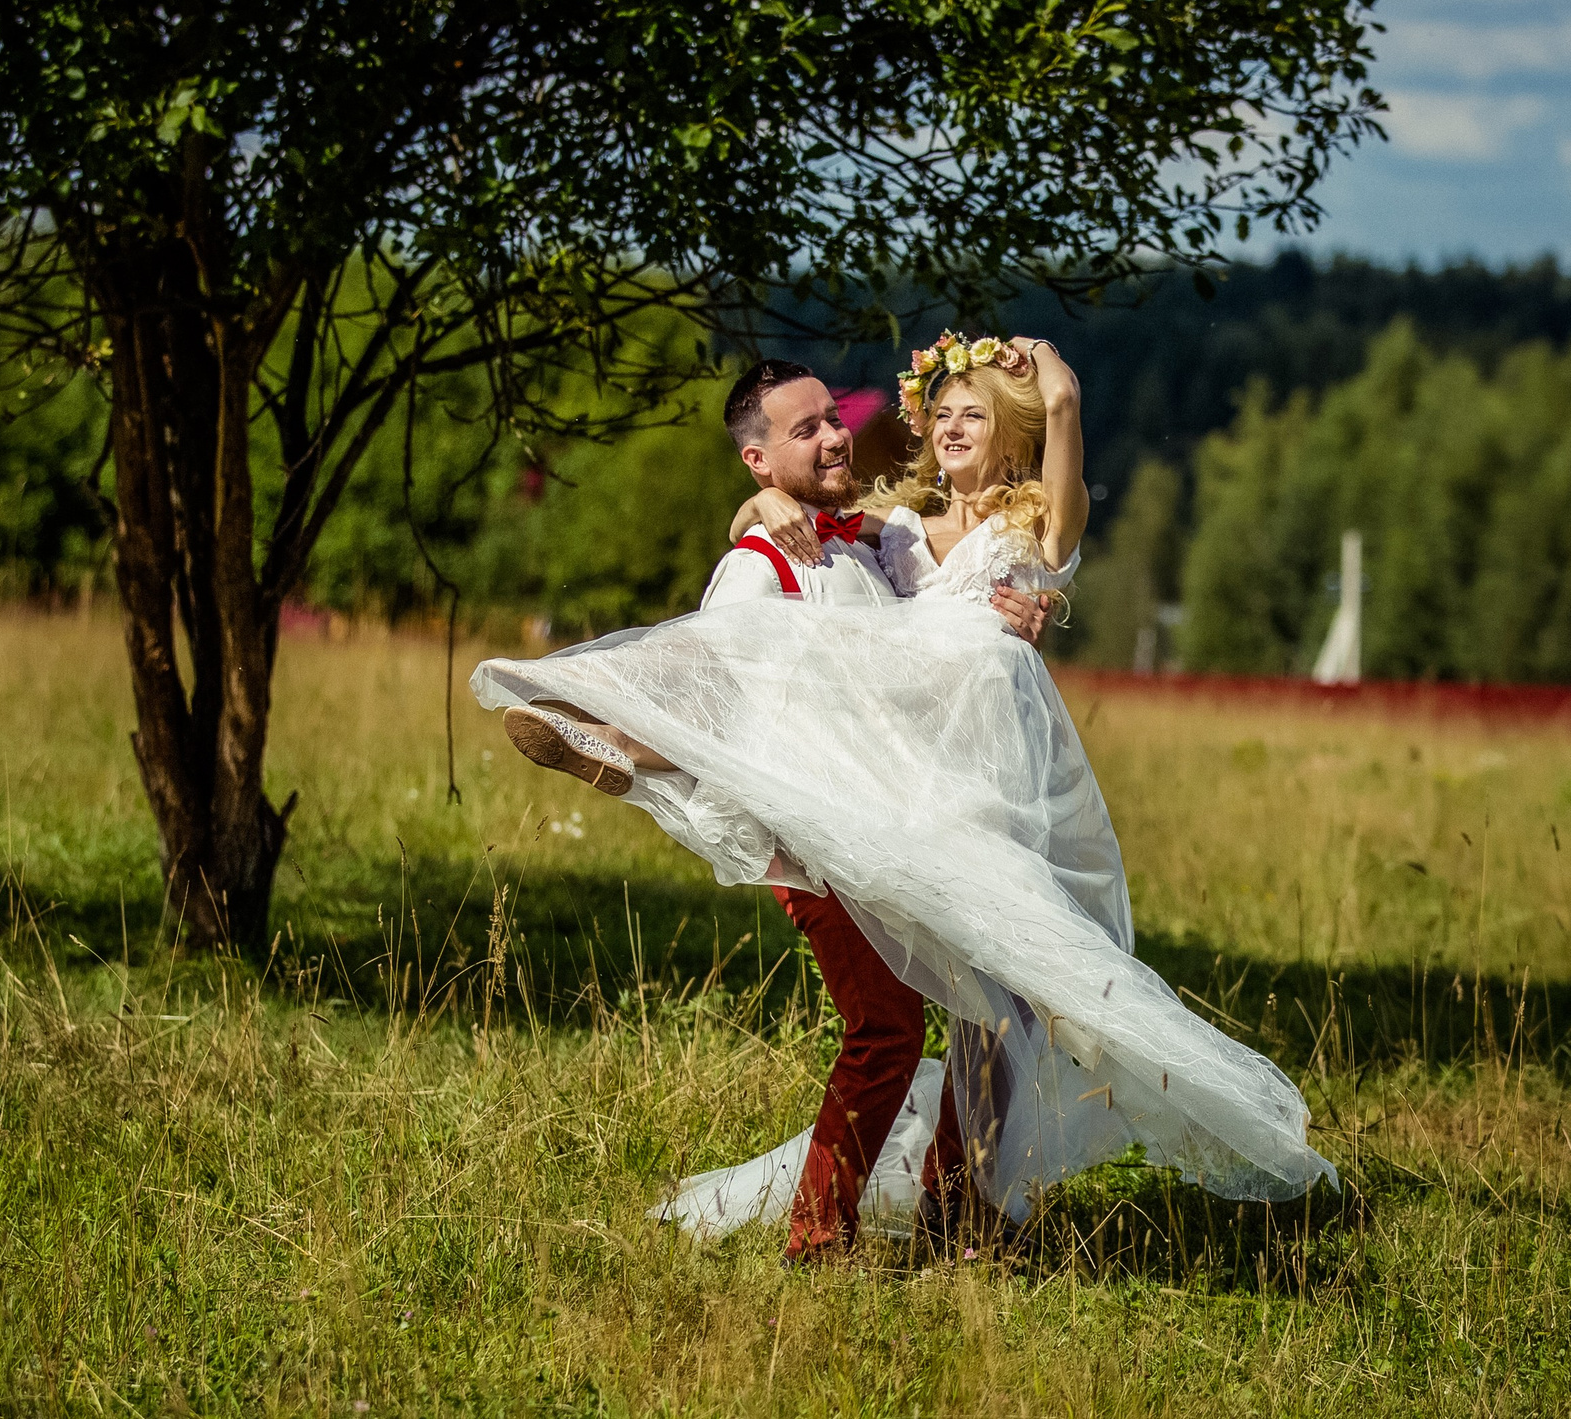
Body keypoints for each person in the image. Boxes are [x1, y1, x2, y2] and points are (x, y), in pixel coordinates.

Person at [471, 336, 1334, 1260]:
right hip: (833, 825)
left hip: (949, 807)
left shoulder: (888, 548)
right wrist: (757, 509)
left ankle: (953, 1215)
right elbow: (717, 665)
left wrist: (1012, 606)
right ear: (760, 457)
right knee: (893, 1025)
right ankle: (617, 733)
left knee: (996, 1014)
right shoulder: (787, 555)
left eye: (834, 420)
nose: (837, 438)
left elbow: (975, 585)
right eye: (807, 431)